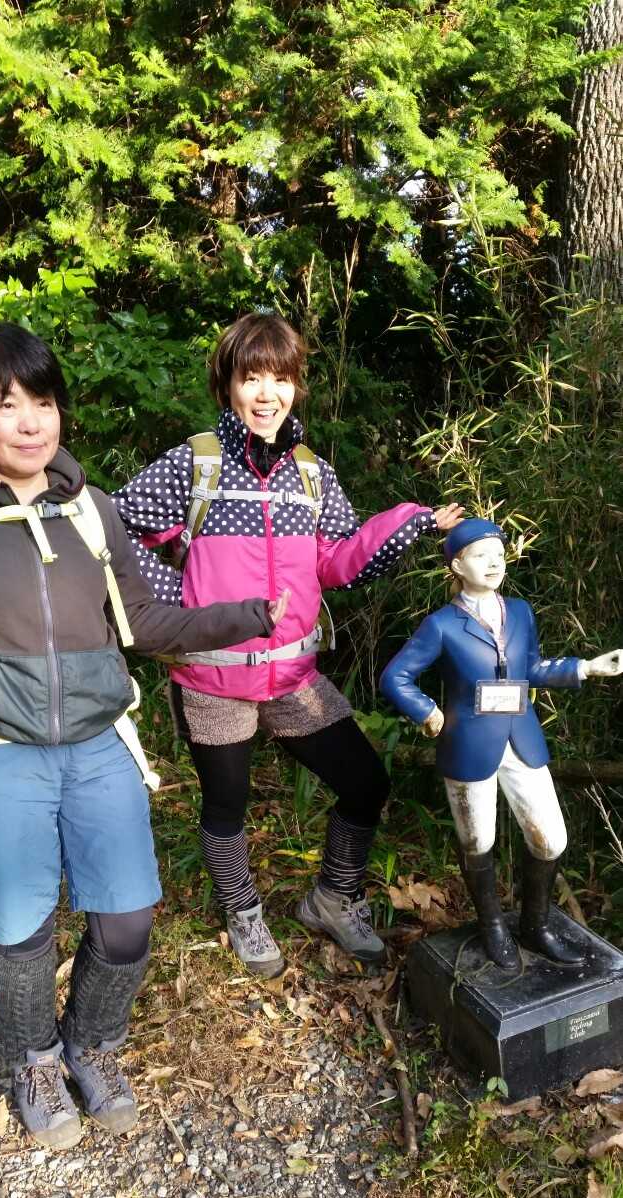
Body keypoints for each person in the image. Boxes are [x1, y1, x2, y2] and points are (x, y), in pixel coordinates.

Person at [0, 321, 289, 1149]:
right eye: (7, 405)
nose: (31, 422)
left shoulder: (91, 511)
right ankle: (33, 1061)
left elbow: (142, 620)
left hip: (100, 743)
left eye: (43, 401)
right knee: (22, 927)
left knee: (127, 917)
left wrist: (245, 617)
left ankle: (91, 1047)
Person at [113, 312, 463, 977]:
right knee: (227, 805)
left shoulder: (311, 474)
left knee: (364, 781)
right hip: (212, 678)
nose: (266, 393)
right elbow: (119, 526)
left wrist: (408, 521)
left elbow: (336, 561)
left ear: (296, 386)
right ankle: (242, 910)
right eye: (252, 377)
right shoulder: (196, 463)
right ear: (227, 384)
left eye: (280, 378)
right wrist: (175, 603)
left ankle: (332, 899)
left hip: (293, 675)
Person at [379, 517, 623, 970]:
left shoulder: (521, 612)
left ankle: (536, 924)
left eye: (498, 554)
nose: (494, 563)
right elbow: (396, 677)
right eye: (480, 555)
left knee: (550, 838)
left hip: (521, 737)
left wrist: (586, 668)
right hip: (469, 743)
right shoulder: (441, 625)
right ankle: (492, 925)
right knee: (478, 839)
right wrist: (428, 713)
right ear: (457, 565)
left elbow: (532, 668)